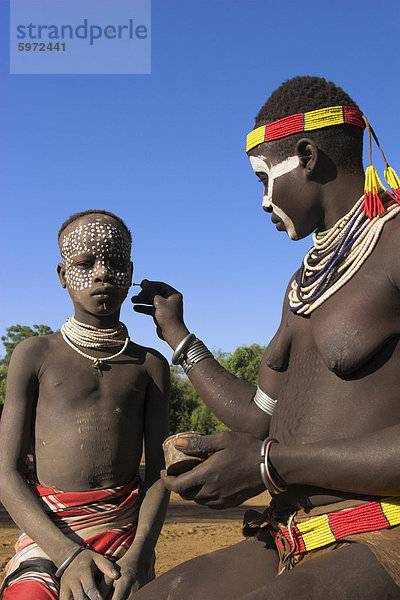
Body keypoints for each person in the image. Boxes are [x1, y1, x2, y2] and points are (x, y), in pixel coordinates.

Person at [131, 77, 400, 599]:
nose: (261, 202)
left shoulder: (395, 244)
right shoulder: (302, 285)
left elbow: (266, 445)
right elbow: (261, 417)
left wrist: (267, 464)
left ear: (306, 156)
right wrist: (178, 336)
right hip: (292, 535)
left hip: (382, 533)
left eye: (262, 179)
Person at [0, 210, 170, 600]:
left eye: (113, 263)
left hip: (126, 539)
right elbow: (6, 474)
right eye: (85, 263)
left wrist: (139, 557)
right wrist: (67, 556)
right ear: (62, 275)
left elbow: (159, 474)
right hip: (50, 535)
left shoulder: (150, 366)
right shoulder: (34, 355)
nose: (102, 273)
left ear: (129, 273)